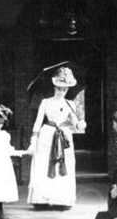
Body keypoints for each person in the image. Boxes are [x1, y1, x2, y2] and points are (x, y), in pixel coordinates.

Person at [27, 65, 86, 209]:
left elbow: (76, 124)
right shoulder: (45, 102)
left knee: (64, 165)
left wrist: (80, 125)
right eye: (59, 88)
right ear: (54, 87)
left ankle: (62, 200)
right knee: (44, 164)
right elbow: (38, 122)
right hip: (47, 135)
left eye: (65, 89)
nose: (62, 92)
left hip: (64, 136)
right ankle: (42, 200)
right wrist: (33, 141)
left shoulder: (70, 104)